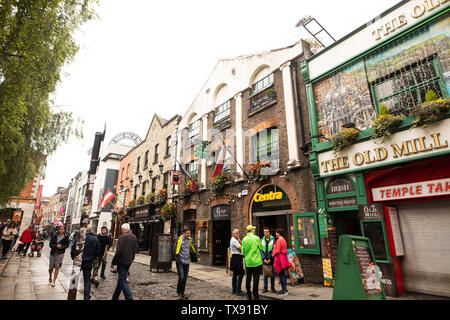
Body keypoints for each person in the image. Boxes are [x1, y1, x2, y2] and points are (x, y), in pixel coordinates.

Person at [111, 223, 137, 300]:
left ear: (123, 229)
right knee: (121, 279)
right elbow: (134, 250)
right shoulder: (134, 236)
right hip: (129, 261)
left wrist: (113, 262)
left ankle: (129, 298)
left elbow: (119, 251)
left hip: (122, 262)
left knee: (122, 280)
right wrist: (132, 259)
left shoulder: (122, 237)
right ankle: (114, 297)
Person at [175, 227, 199, 300]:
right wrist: (177, 258)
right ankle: (179, 293)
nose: (189, 234)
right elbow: (174, 249)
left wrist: (197, 256)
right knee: (181, 277)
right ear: (183, 233)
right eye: (188, 233)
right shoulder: (179, 240)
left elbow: (194, 248)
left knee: (185, 279)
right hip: (180, 262)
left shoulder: (190, 240)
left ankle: (182, 293)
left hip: (187, 262)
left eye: (189, 233)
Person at [241, 225, 263, 300]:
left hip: (248, 262)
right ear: (252, 230)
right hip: (256, 262)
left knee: (248, 278)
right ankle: (255, 295)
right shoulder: (256, 238)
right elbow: (261, 247)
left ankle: (248, 294)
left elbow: (242, 251)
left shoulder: (244, 239)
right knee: (256, 279)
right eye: (253, 229)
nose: (254, 230)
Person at [81, 225, 101, 300]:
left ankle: (72, 294)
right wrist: (93, 257)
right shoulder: (95, 239)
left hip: (78, 260)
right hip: (89, 261)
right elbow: (98, 251)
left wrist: (73, 257)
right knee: (87, 280)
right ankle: (86, 297)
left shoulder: (81, 237)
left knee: (74, 278)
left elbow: (73, 247)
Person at [272, 229, 291, 297]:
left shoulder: (279, 240)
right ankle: (284, 289)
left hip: (280, 259)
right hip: (283, 258)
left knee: (281, 275)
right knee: (282, 274)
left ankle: (284, 290)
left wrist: (273, 251)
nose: (275, 234)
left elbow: (277, 250)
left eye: (276, 233)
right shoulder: (283, 240)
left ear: (278, 233)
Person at [229, 229, 245, 296]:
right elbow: (242, 249)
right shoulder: (234, 240)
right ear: (233, 234)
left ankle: (234, 289)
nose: (238, 235)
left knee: (235, 275)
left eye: (238, 233)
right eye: (237, 233)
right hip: (237, 258)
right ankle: (238, 290)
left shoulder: (233, 240)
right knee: (241, 273)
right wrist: (240, 241)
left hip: (235, 258)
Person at [261, 227, 276, 293]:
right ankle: (265, 287)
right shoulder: (262, 239)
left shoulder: (273, 239)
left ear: (269, 232)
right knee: (265, 274)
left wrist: (270, 258)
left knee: (272, 274)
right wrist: (263, 258)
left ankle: (272, 288)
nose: (265, 233)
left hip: (271, 258)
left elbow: (274, 249)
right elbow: (261, 250)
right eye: (264, 232)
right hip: (264, 258)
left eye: (267, 232)